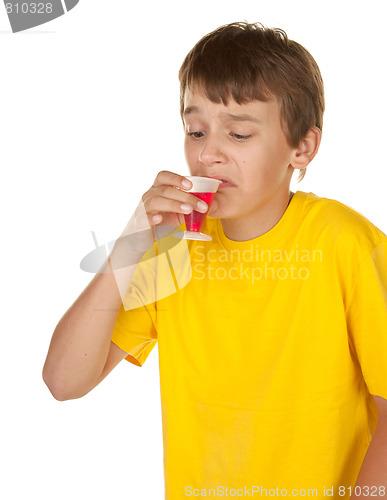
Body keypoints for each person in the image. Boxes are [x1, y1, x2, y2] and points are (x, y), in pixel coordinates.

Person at [43, 22, 387, 499]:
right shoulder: (173, 251)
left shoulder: (344, 242)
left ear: (301, 147)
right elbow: (64, 381)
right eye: (196, 130)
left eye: (239, 134)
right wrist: (130, 244)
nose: (208, 154)